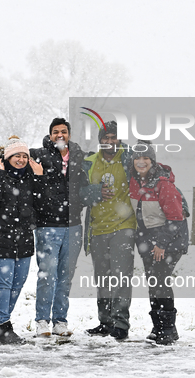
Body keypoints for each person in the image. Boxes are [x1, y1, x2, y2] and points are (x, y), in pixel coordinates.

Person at [0, 135, 44, 344]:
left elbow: (41, 204)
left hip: (22, 238)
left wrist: (40, 177)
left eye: (25, 156)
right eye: (17, 156)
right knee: (3, 283)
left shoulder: (29, 177)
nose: (21, 159)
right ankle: (3, 328)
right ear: (7, 158)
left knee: (18, 282)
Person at [128, 140, 190, 345]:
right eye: (138, 158)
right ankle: (158, 326)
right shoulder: (134, 182)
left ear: (152, 161)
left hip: (170, 238)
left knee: (161, 282)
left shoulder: (163, 185)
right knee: (154, 282)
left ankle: (169, 328)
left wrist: (161, 244)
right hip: (148, 238)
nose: (141, 161)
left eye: (146, 158)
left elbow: (175, 218)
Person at [80, 121, 136, 340]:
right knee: (103, 277)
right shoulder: (90, 162)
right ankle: (105, 321)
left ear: (119, 140)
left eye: (114, 137)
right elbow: (78, 192)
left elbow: (152, 172)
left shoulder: (129, 158)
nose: (110, 142)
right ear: (100, 140)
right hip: (97, 227)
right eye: (106, 138)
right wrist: (94, 191)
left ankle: (121, 324)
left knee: (122, 276)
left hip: (124, 225)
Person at [29, 118, 85, 337]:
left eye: (63, 131)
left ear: (69, 134)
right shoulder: (39, 155)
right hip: (47, 225)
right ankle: (42, 320)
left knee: (65, 276)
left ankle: (60, 321)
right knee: (47, 274)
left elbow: (85, 185)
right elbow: (13, 157)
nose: (59, 135)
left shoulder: (79, 157)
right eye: (55, 132)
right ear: (50, 135)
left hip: (73, 225)